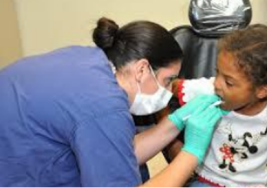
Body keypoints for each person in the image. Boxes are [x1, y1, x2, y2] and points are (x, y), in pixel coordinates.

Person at [0, 17, 227, 187]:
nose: (169, 91)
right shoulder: (104, 107)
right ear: (141, 69)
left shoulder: (89, 60)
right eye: (168, 80)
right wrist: (192, 152)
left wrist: (175, 123)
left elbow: (115, 153)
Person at [168, 24, 267, 187]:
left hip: (254, 184)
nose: (216, 83)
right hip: (208, 179)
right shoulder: (207, 90)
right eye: (217, 72)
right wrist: (172, 143)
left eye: (229, 82)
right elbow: (168, 86)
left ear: (261, 91)